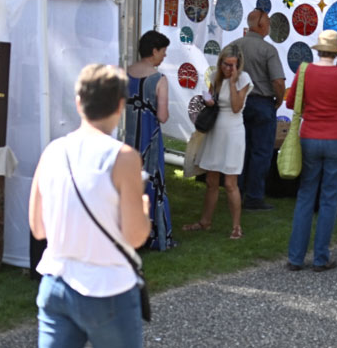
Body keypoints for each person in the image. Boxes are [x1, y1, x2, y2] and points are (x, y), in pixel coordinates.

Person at [30, 64, 150, 348]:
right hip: (108, 288)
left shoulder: (53, 151)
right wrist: (144, 211)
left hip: (56, 283)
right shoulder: (123, 157)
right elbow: (135, 236)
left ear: (78, 102)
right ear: (120, 105)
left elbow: (38, 228)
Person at [285, 30, 337, 272]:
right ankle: (321, 257)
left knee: (305, 196)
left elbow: (289, 102)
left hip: (309, 136)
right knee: (329, 198)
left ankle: (295, 257)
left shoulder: (304, 71)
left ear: (318, 50)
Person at [185, 44, 252, 239]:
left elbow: (237, 106)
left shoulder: (244, 79)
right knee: (211, 179)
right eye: (226, 64)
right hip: (215, 130)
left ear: (239, 65)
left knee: (230, 182)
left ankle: (236, 227)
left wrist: (232, 83)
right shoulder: (215, 77)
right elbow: (211, 97)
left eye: (233, 65)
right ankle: (205, 221)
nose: (229, 69)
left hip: (233, 133)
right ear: (220, 62)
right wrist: (209, 101)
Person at [229, 8, 285, 211]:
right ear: (261, 25)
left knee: (241, 149)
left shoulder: (234, 46)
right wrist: (278, 100)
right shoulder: (268, 50)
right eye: (268, 23)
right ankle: (254, 197)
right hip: (262, 102)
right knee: (261, 152)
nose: (269, 26)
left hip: (239, 103)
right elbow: (278, 81)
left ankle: (237, 190)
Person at [124, 30, 174, 250]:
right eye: (163, 51)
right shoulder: (159, 79)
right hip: (149, 140)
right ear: (154, 51)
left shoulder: (124, 73)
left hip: (127, 139)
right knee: (152, 183)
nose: (164, 56)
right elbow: (162, 116)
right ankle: (152, 234)